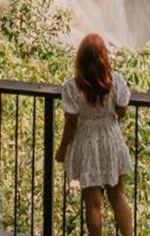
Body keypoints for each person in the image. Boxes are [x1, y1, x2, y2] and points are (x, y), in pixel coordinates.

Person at [55, 33, 135, 236]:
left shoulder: (71, 87)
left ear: (79, 59)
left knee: (93, 204)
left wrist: (62, 149)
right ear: (104, 57)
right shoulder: (115, 81)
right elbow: (123, 110)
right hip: (111, 139)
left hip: (86, 142)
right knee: (118, 196)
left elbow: (71, 123)